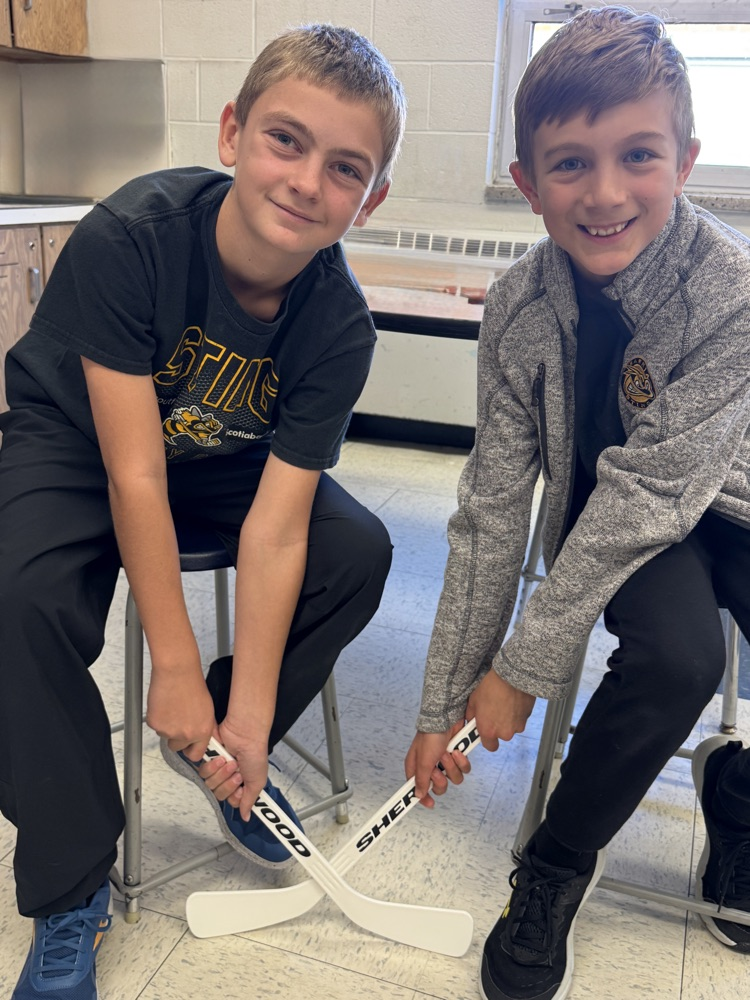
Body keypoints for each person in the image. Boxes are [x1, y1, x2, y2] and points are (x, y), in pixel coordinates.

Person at [0, 23, 405, 1000]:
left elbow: (277, 526)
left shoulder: (340, 326)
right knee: (15, 597)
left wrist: (247, 717)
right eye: (286, 140)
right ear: (233, 133)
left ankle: (228, 743)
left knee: (359, 548)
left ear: (371, 196)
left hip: (223, 455)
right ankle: (72, 883)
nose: (308, 182)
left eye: (345, 167)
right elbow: (134, 474)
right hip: (84, 435)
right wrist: (169, 670)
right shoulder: (132, 237)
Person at [404, 7, 750, 1000]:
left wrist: (523, 663)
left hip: (720, 495)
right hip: (627, 518)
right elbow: (495, 511)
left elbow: (670, 486)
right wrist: (444, 700)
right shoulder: (517, 310)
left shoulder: (729, 287)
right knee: (680, 656)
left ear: (685, 159)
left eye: (637, 154)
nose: (605, 194)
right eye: (569, 164)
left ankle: (737, 794)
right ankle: (556, 862)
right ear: (526, 181)